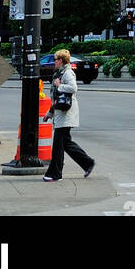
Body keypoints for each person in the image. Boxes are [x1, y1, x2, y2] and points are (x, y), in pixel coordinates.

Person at [42, 49, 95, 182]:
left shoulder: (67, 73)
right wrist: (49, 113)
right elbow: (56, 98)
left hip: (66, 114)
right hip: (61, 113)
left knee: (58, 146)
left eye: (56, 59)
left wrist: (60, 86)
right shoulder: (60, 73)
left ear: (61, 61)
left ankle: (55, 173)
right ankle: (87, 163)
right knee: (66, 144)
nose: (54, 62)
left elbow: (73, 88)